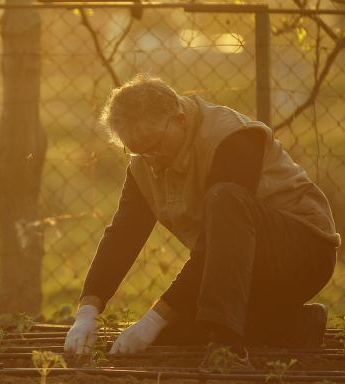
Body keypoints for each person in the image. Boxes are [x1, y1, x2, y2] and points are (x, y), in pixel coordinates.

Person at [63, 74, 340, 369]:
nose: (151, 160)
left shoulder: (233, 138)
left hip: (303, 254)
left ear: (179, 120)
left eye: (154, 146)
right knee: (169, 332)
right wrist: (87, 312)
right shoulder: (146, 162)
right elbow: (123, 235)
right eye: (137, 151)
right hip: (239, 272)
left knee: (225, 199)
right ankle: (295, 326)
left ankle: (227, 348)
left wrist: (155, 317)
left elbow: (215, 240)